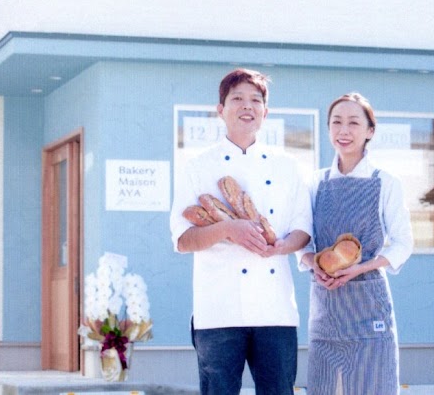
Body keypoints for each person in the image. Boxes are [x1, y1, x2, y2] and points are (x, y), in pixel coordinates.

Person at [170, 68, 313, 395]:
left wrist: (281, 246)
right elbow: (182, 239)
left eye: (256, 100)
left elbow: (303, 229)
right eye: (237, 99)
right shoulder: (197, 166)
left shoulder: (287, 166)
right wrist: (228, 229)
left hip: (275, 309)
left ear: (266, 112)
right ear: (220, 110)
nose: (247, 106)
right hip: (217, 310)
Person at [299, 92, 414, 395]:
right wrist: (314, 265)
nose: (344, 130)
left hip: (368, 309)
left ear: (370, 131)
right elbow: (302, 241)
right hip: (326, 310)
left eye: (353, 123)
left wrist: (360, 268)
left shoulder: (385, 182)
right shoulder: (314, 183)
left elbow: (403, 243)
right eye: (336, 122)